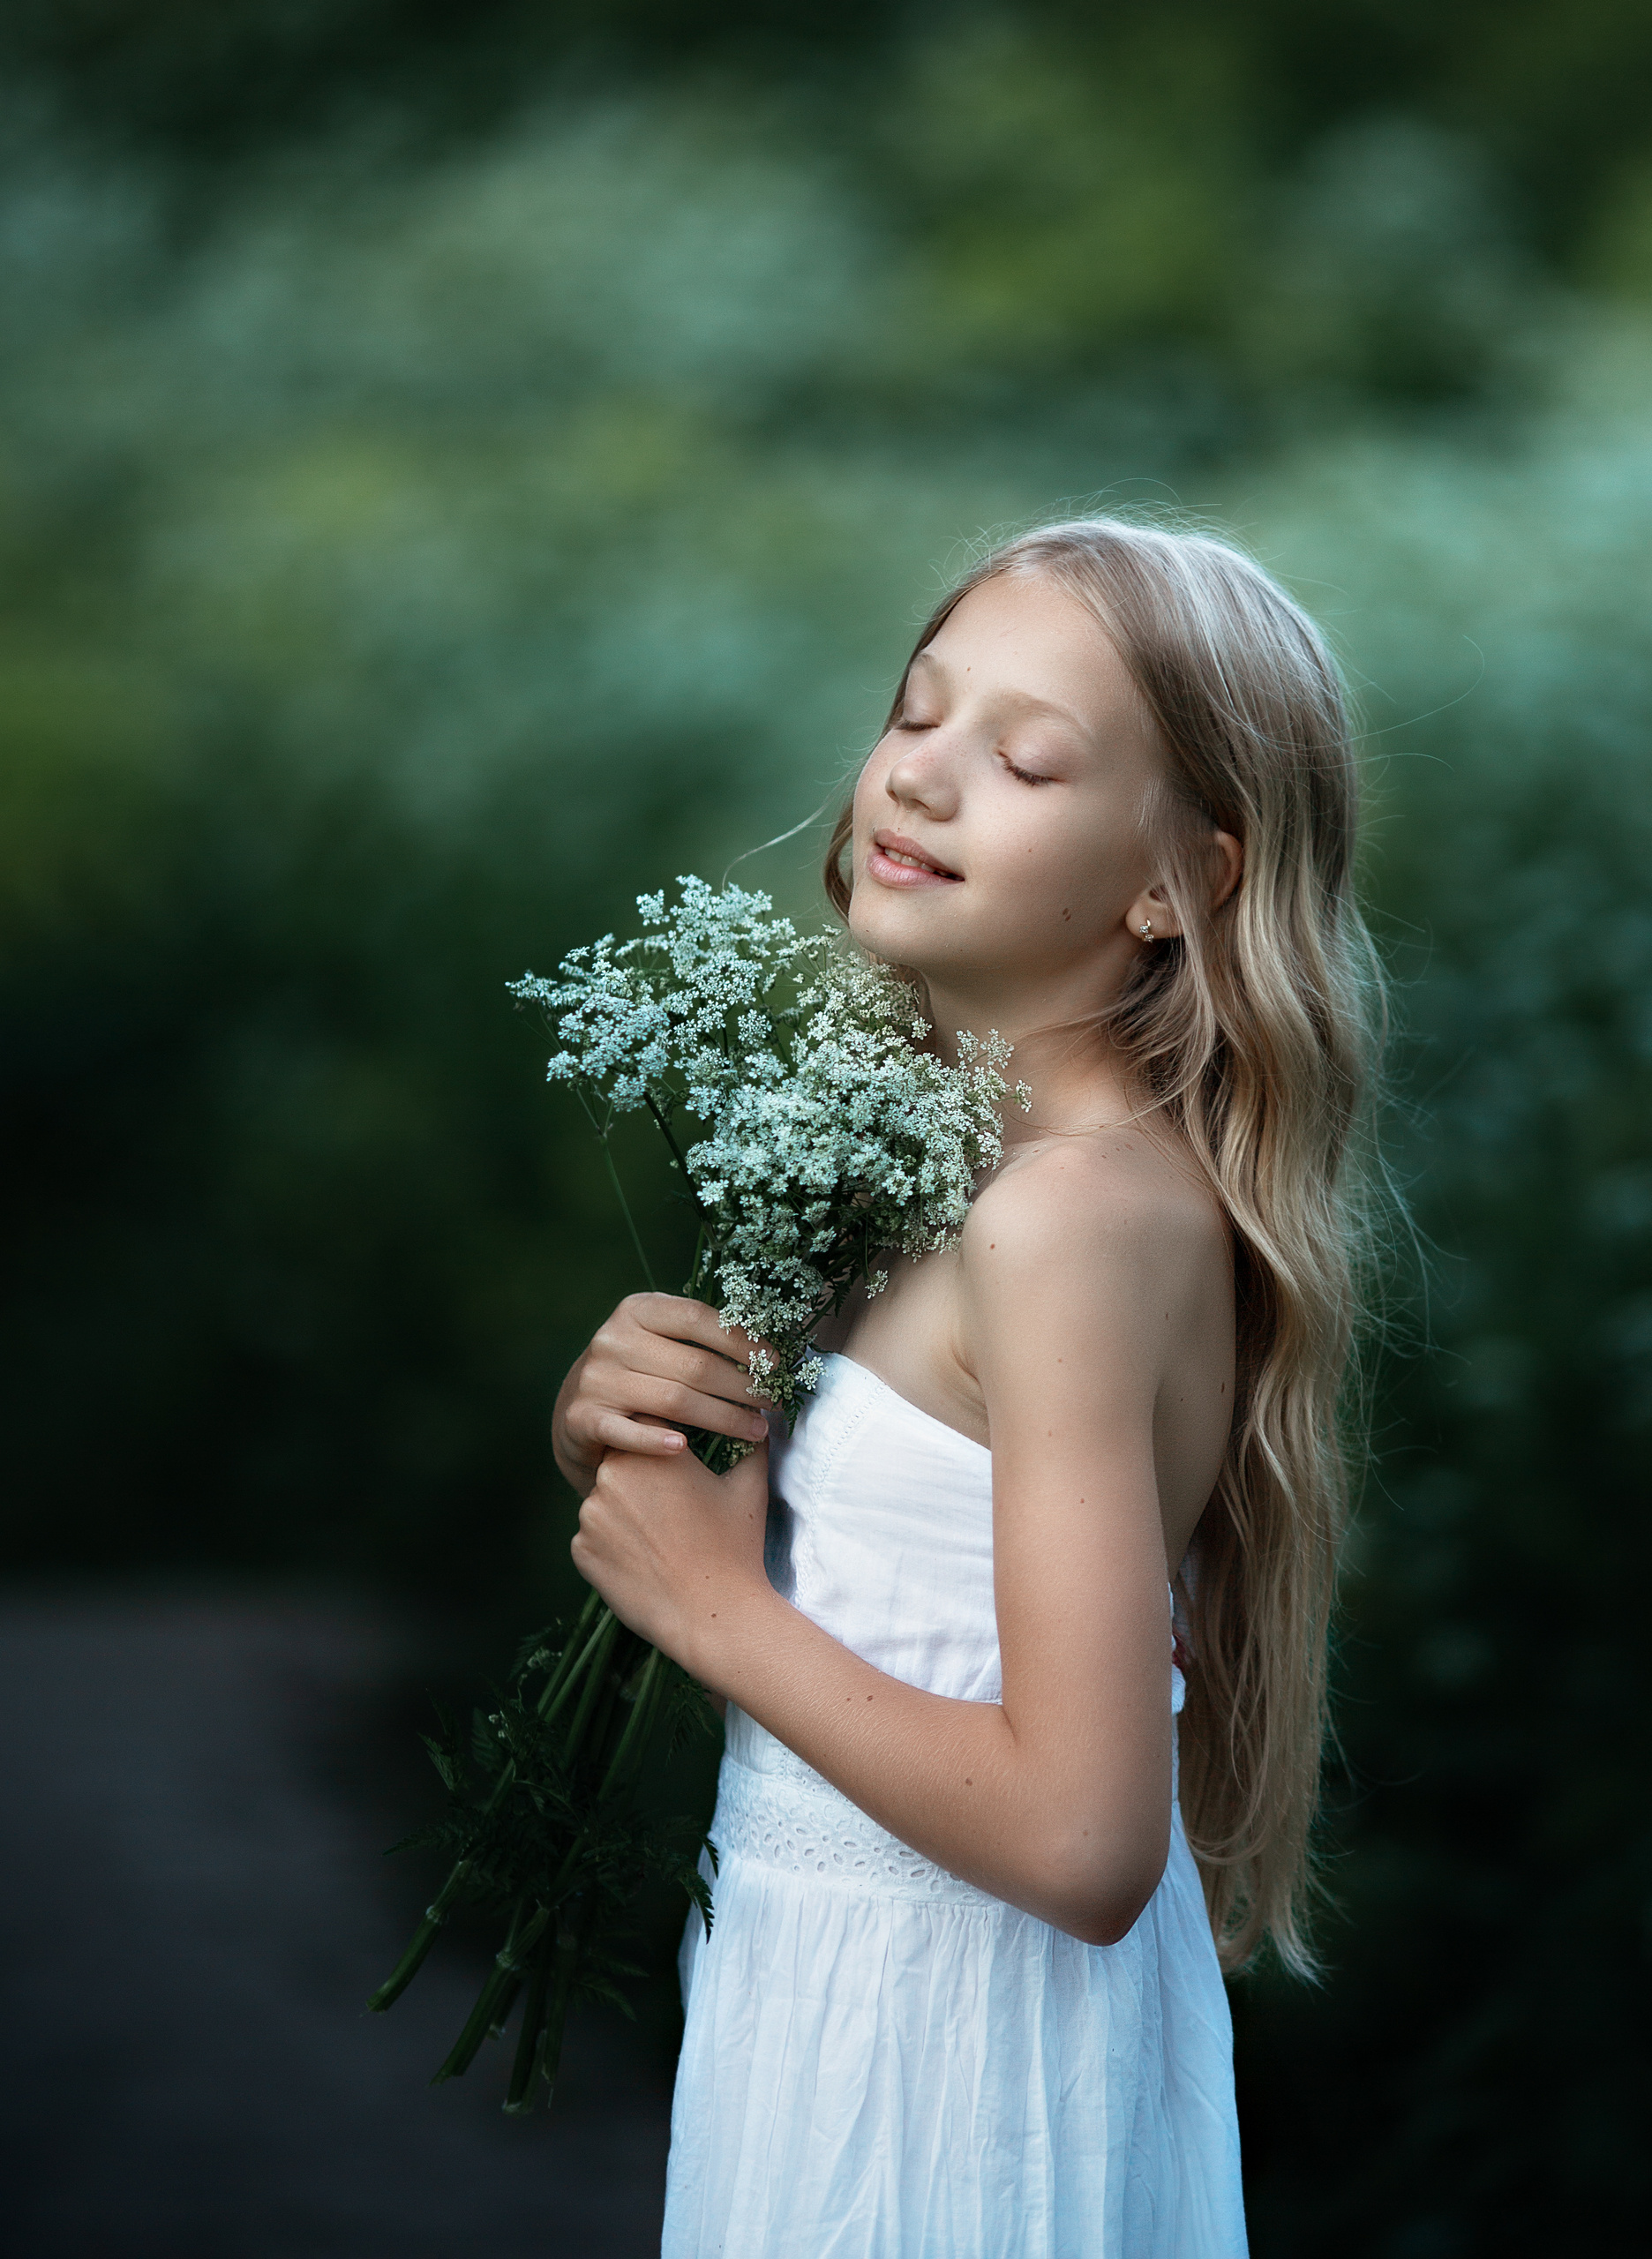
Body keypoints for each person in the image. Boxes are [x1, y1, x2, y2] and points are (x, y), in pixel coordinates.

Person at [551, 518, 1378, 2257]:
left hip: (951, 2050)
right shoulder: (931, 1159)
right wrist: (647, 1425)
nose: (919, 774)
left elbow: (1084, 1841)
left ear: (1178, 881)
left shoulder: (1069, 1218)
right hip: (823, 1991)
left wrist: (706, 1604)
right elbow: (892, 1581)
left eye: (1024, 758)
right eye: (916, 712)